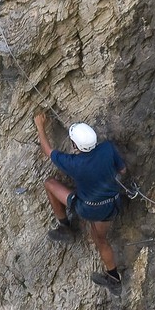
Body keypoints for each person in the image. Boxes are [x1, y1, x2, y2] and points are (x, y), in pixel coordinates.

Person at [35, 111, 128, 293]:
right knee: (101, 240)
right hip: (111, 205)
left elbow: (48, 151)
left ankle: (65, 227)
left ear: (75, 145)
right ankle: (114, 279)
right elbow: (122, 170)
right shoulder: (107, 148)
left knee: (50, 183)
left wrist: (40, 126)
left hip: (88, 208)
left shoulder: (74, 163)